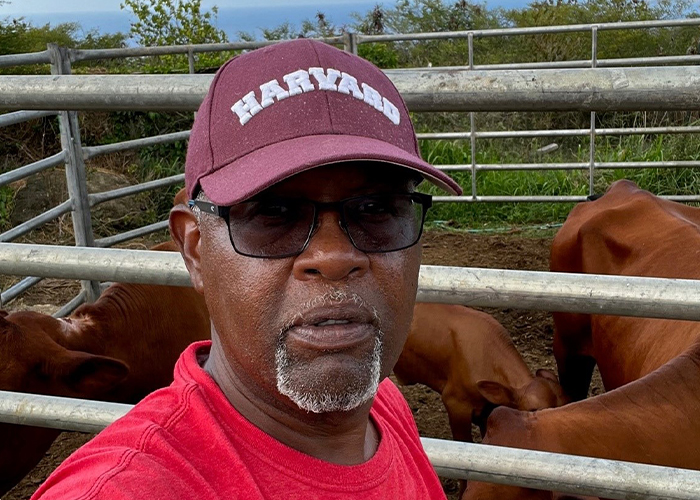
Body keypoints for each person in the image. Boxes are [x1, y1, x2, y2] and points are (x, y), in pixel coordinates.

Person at [31, 38, 461, 499]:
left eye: (376, 207)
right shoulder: (131, 488)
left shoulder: (383, 405)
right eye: (273, 213)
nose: (334, 257)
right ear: (195, 250)